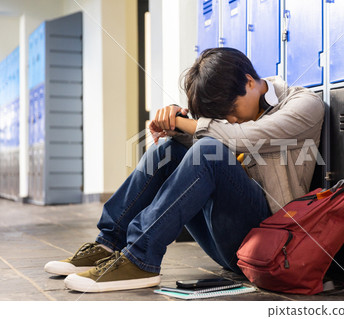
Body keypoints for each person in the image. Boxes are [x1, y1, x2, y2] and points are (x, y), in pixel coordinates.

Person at [44, 48, 324, 293]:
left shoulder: (304, 105)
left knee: (207, 150)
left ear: (250, 82)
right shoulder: (231, 116)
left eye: (231, 111)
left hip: (271, 243)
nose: (230, 119)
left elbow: (244, 137)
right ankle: (108, 244)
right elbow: (214, 137)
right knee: (168, 151)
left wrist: (187, 124)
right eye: (223, 116)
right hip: (227, 243)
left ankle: (140, 259)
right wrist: (174, 123)